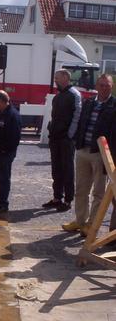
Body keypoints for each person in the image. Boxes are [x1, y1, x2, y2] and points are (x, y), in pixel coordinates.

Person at [62, 74, 115, 234]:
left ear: (111, 87)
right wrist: (75, 140)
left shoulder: (114, 105)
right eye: (101, 85)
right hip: (82, 150)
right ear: (96, 86)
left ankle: (91, 225)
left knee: (98, 193)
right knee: (81, 190)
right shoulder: (89, 102)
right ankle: (79, 221)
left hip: (100, 154)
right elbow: (79, 122)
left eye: (107, 85)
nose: (104, 88)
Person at [42, 69, 81, 212]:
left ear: (65, 78)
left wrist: (70, 135)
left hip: (66, 139)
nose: (55, 80)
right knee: (56, 169)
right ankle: (57, 197)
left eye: (57, 77)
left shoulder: (74, 94)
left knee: (67, 170)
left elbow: (77, 115)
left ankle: (68, 200)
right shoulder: (58, 97)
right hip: (55, 138)